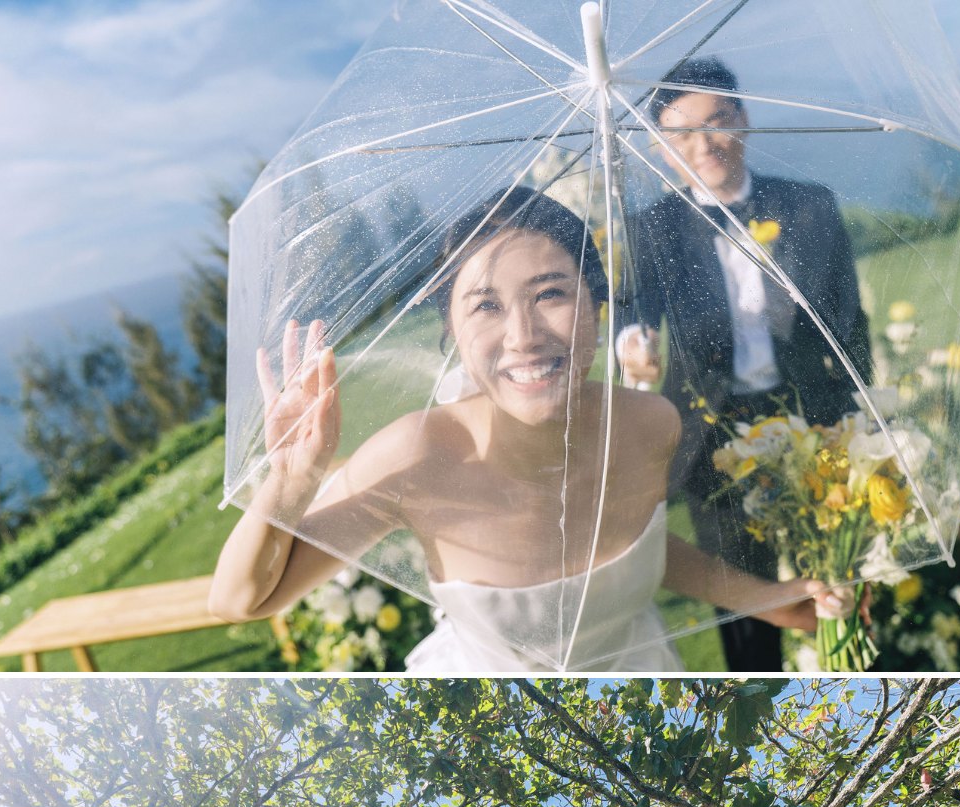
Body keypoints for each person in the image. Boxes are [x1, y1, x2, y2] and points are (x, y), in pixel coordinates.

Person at [210, 186, 848, 672]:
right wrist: (291, 482)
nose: (523, 337)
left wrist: (764, 596)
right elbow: (241, 601)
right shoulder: (418, 457)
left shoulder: (651, 424)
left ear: (597, 307)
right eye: (485, 306)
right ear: (453, 334)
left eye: (551, 294)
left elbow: (635, 552)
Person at [621, 57, 872, 671]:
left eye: (718, 120)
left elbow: (850, 321)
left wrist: (862, 418)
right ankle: (755, 700)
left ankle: (850, 669)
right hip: (713, 435)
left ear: (744, 118)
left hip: (816, 419)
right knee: (742, 598)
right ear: (660, 148)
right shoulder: (648, 230)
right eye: (680, 133)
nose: (704, 143)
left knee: (841, 574)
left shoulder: (810, 206)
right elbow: (633, 307)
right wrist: (632, 342)